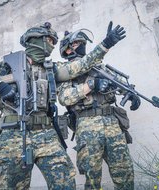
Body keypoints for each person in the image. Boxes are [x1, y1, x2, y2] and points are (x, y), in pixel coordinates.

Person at [0, 22, 110, 189]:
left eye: (54, 43)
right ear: (34, 39)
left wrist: (105, 45)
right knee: (11, 186)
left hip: (46, 133)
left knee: (65, 182)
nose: (51, 46)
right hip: (13, 133)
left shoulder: (51, 68)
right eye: (49, 40)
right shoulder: (5, 65)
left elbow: (80, 66)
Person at [57, 22, 141, 190]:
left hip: (112, 123)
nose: (81, 45)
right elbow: (64, 98)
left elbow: (118, 82)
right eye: (76, 43)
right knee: (92, 178)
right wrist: (91, 85)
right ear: (67, 50)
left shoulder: (99, 67)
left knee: (125, 172)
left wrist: (131, 93)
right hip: (87, 125)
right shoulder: (63, 70)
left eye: (82, 43)